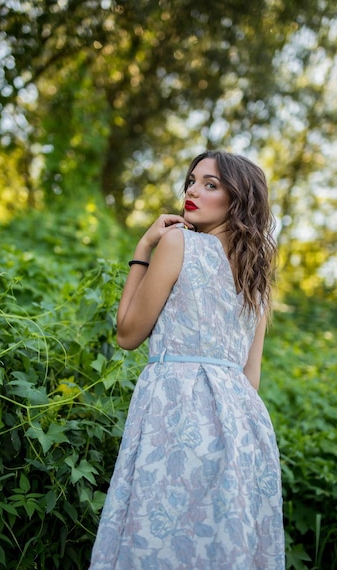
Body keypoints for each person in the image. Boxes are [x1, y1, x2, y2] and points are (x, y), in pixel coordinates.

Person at [89, 150, 285, 570]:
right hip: (243, 430)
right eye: (192, 181)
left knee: (160, 540)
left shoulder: (178, 242)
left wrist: (144, 246)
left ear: (238, 200)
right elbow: (250, 378)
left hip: (176, 416)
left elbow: (127, 334)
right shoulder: (258, 280)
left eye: (210, 185)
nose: (192, 191)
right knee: (218, 546)